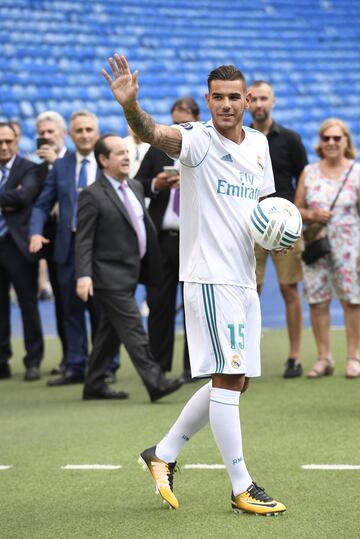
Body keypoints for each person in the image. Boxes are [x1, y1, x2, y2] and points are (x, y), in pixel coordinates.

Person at [102, 54, 286, 515]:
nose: (225, 104)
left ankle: (161, 454)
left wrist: (277, 234)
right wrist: (131, 108)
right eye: (217, 97)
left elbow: (264, 207)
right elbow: (152, 132)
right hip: (209, 276)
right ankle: (241, 485)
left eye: (233, 97)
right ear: (207, 101)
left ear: (246, 100)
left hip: (244, 276)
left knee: (236, 381)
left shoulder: (260, 145)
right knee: (227, 377)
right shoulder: (195, 140)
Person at [75, 134, 183, 401]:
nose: (126, 156)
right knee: (133, 327)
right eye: (119, 153)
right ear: (103, 160)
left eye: (127, 152)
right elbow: (84, 239)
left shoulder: (134, 186)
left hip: (132, 272)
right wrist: (84, 275)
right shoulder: (92, 195)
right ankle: (155, 382)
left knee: (109, 332)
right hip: (108, 275)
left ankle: (94, 382)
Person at [29, 111, 119, 386]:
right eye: (78, 130)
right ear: (69, 135)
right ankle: (76, 365)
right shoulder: (61, 167)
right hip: (67, 249)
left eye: (89, 129)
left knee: (103, 311)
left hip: (101, 250)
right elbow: (42, 204)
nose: (84, 135)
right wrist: (35, 231)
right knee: (71, 310)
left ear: (97, 132)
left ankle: (106, 366)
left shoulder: (108, 162)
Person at [135, 97, 200, 381]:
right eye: (173, 121)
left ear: (196, 121)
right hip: (163, 239)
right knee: (159, 303)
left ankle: (193, 366)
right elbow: (136, 185)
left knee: (194, 306)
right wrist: (157, 185)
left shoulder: (204, 151)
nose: (177, 127)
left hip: (196, 239)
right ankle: (159, 367)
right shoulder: (157, 150)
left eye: (183, 122)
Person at [248, 80, 308, 379]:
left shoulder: (291, 139)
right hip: (250, 226)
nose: (259, 104)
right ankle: (245, 357)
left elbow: (303, 178)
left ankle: (294, 357)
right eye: (254, 98)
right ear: (248, 102)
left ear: (273, 102)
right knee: (250, 292)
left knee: (289, 290)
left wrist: (293, 218)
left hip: (285, 229)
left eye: (264, 98)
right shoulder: (239, 138)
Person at [295, 118, 360, 379]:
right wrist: (311, 214)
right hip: (315, 243)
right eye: (326, 138)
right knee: (318, 300)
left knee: (352, 300)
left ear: (346, 141)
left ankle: (354, 356)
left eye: (337, 138)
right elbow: (296, 208)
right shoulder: (309, 172)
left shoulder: (356, 172)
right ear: (320, 143)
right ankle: (324, 358)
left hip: (349, 245)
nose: (331, 143)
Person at [0, 122, 44, 381]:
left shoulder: (29, 168)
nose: (4, 146)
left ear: (16, 141)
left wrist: (15, 198)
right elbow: (14, 198)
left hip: (18, 246)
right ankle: (2, 360)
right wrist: (10, 197)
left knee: (28, 304)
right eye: (0, 142)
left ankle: (33, 360)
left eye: (8, 141)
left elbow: (24, 197)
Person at [34, 111, 68, 374]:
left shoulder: (70, 160)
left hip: (83, 237)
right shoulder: (35, 169)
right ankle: (70, 357)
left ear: (62, 134)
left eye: (50, 132)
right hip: (54, 240)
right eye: (41, 133)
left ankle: (100, 360)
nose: (45, 137)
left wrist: (56, 163)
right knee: (62, 301)